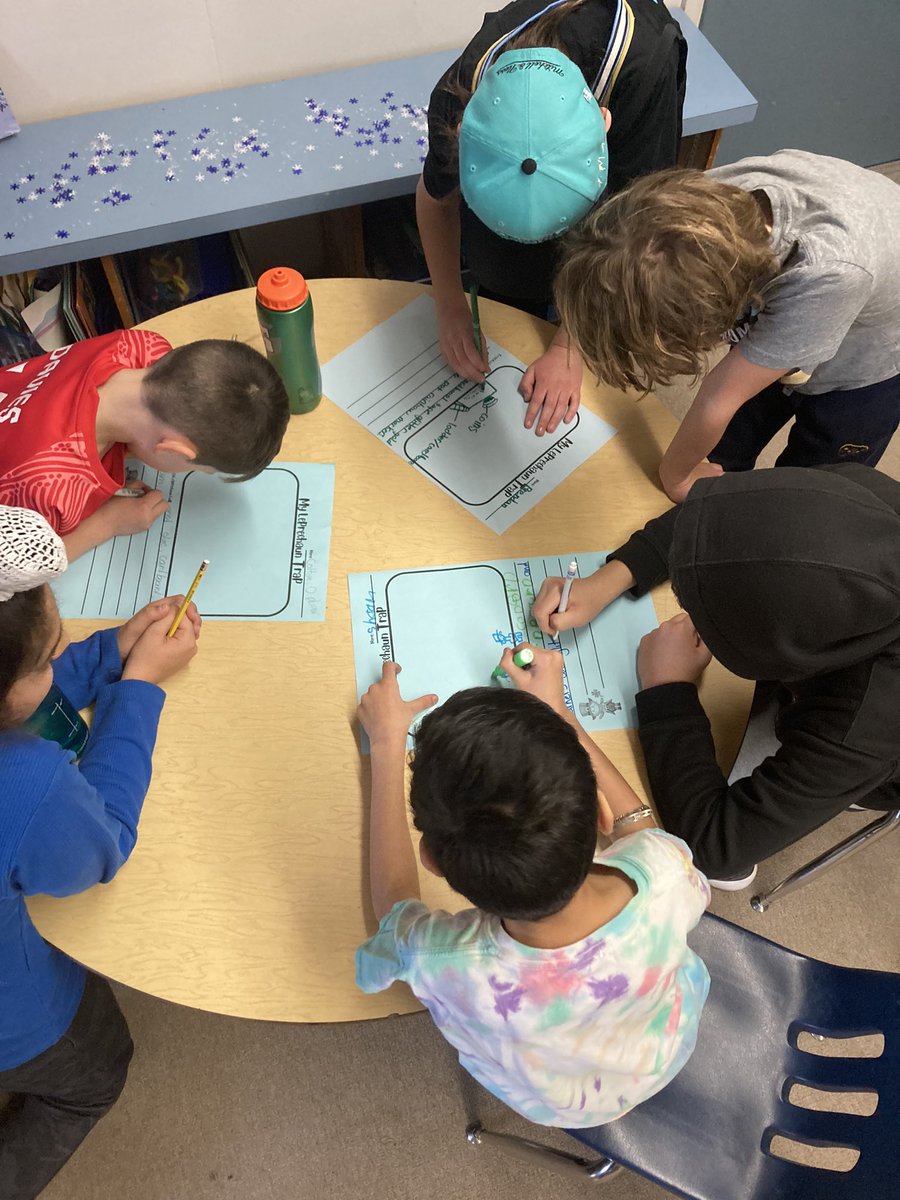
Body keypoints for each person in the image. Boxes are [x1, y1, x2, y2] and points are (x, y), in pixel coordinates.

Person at [355, 650, 709, 1127]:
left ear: (432, 863)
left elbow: (394, 912)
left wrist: (387, 745)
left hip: (558, 1102)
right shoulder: (666, 871)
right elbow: (640, 828)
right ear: (601, 814)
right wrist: (561, 714)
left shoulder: (442, 960)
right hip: (665, 1043)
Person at [532, 464, 900, 886]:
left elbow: (714, 849)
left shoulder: (864, 723)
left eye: (700, 610)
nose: (684, 607)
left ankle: (855, 790)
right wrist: (608, 580)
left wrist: (667, 689)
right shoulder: (863, 492)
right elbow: (723, 515)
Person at [0, 505, 200, 1199]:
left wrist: (112, 653)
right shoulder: (26, 781)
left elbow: (24, 690)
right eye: (48, 654)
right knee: (95, 1068)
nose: (59, 661)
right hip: (14, 1022)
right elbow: (104, 842)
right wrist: (137, 687)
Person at [555, 149, 900, 502]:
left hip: (865, 370)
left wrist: (675, 478)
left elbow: (719, 396)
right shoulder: (688, 207)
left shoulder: (827, 273)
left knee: (811, 494)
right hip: (824, 276)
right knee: (725, 445)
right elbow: (608, 268)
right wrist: (563, 347)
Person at [418, 0, 686, 436]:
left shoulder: (644, 67)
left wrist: (570, 347)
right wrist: (448, 303)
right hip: (502, 267)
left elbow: (628, 233)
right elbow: (435, 199)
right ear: (464, 134)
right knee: (506, 284)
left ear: (604, 124)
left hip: (631, 101)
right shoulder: (460, 94)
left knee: (607, 253)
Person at [0, 329, 290, 559]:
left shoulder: (142, 346)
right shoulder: (49, 492)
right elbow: (20, 568)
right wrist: (108, 523)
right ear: (173, 449)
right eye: (202, 469)